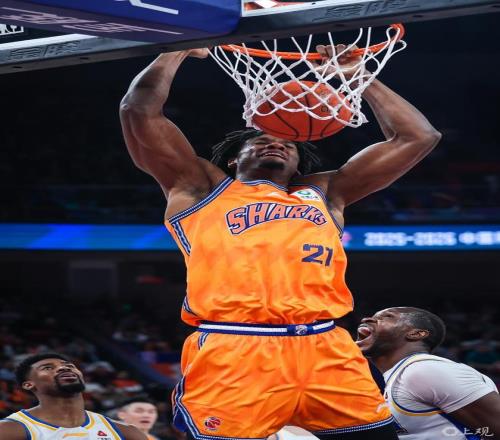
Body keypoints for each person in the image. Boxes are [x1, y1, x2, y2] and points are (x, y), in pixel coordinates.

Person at [119, 45, 441, 440]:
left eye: (288, 143)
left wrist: (360, 76)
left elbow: (418, 136)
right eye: (260, 140)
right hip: (236, 346)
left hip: (326, 345)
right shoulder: (199, 188)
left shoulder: (326, 193)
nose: (276, 143)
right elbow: (138, 111)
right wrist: (176, 52)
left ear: (298, 162)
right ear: (234, 160)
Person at [356, 307, 500, 438]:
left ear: (416, 333)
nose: (365, 319)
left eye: (387, 317)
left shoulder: (426, 370)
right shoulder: (385, 378)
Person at [0, 353, 146, 440]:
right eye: (48, 368)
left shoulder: (126, 432)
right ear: (29, 384)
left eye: (69, 366)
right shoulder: (10, 430)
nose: (63, 368)